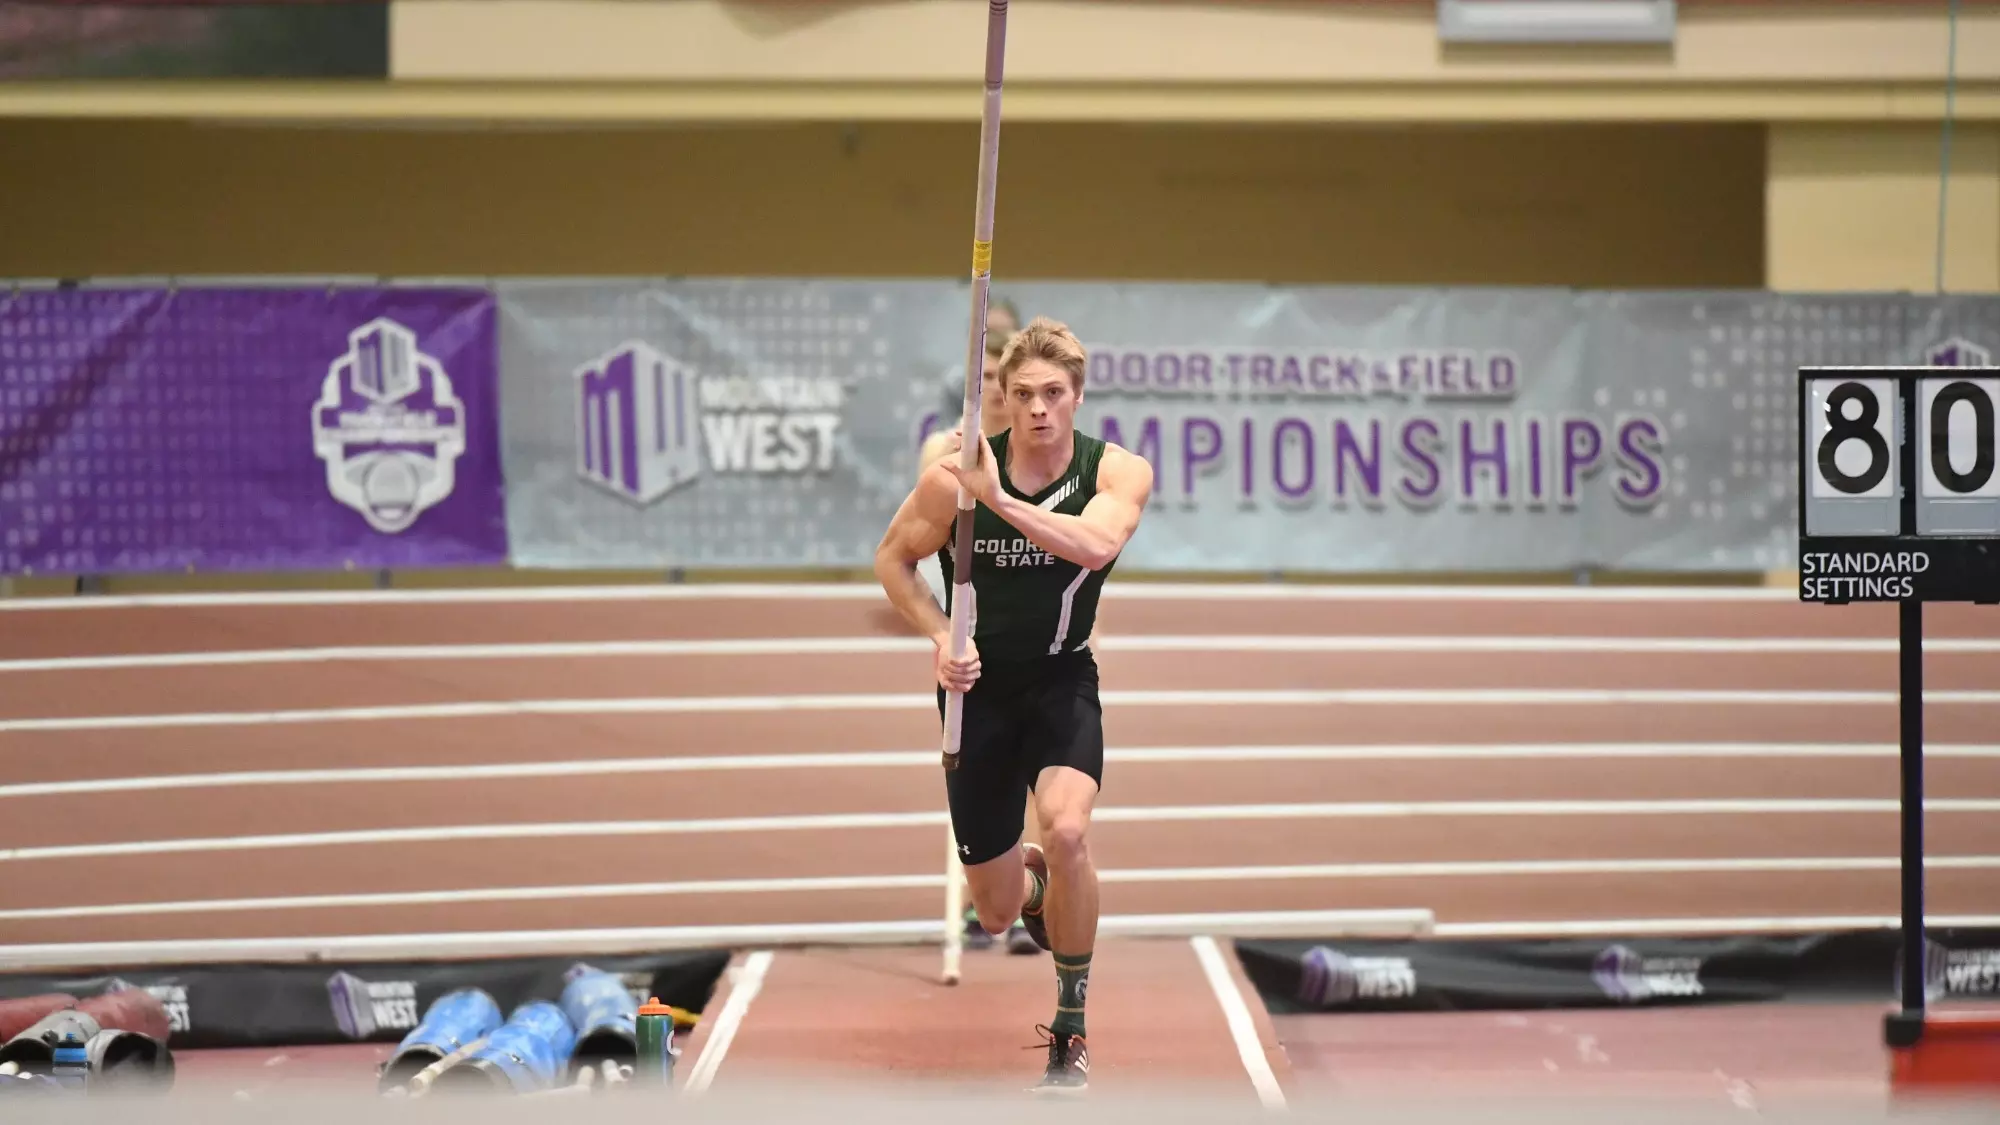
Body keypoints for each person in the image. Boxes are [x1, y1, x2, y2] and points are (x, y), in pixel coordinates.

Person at [873, 317, 1154, 1095]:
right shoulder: (955, 480)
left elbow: (1095, 548)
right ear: (1001, 396)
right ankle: (1030, 890)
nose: (1038, 408)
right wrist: (937, 633)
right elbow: (892, 558)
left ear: (1078, 397)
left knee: (1068, 831)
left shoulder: (1115, 472)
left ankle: (1070, 1024)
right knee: (995, 913)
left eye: (1054, 393)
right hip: (979, 693)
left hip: (1062, 681)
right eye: (1023, 393)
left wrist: (999, 501)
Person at [917, 328, 1044, 958]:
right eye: (988, 376)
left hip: (1035, 648)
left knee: (1033, 780)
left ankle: (1020, 902)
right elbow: (920, 534)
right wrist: (943, 632)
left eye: (1007, 377)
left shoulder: (1043, 450)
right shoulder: (945, 448)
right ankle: (983, 902)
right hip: (967, 644)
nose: (998, 388)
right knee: (978, 778)